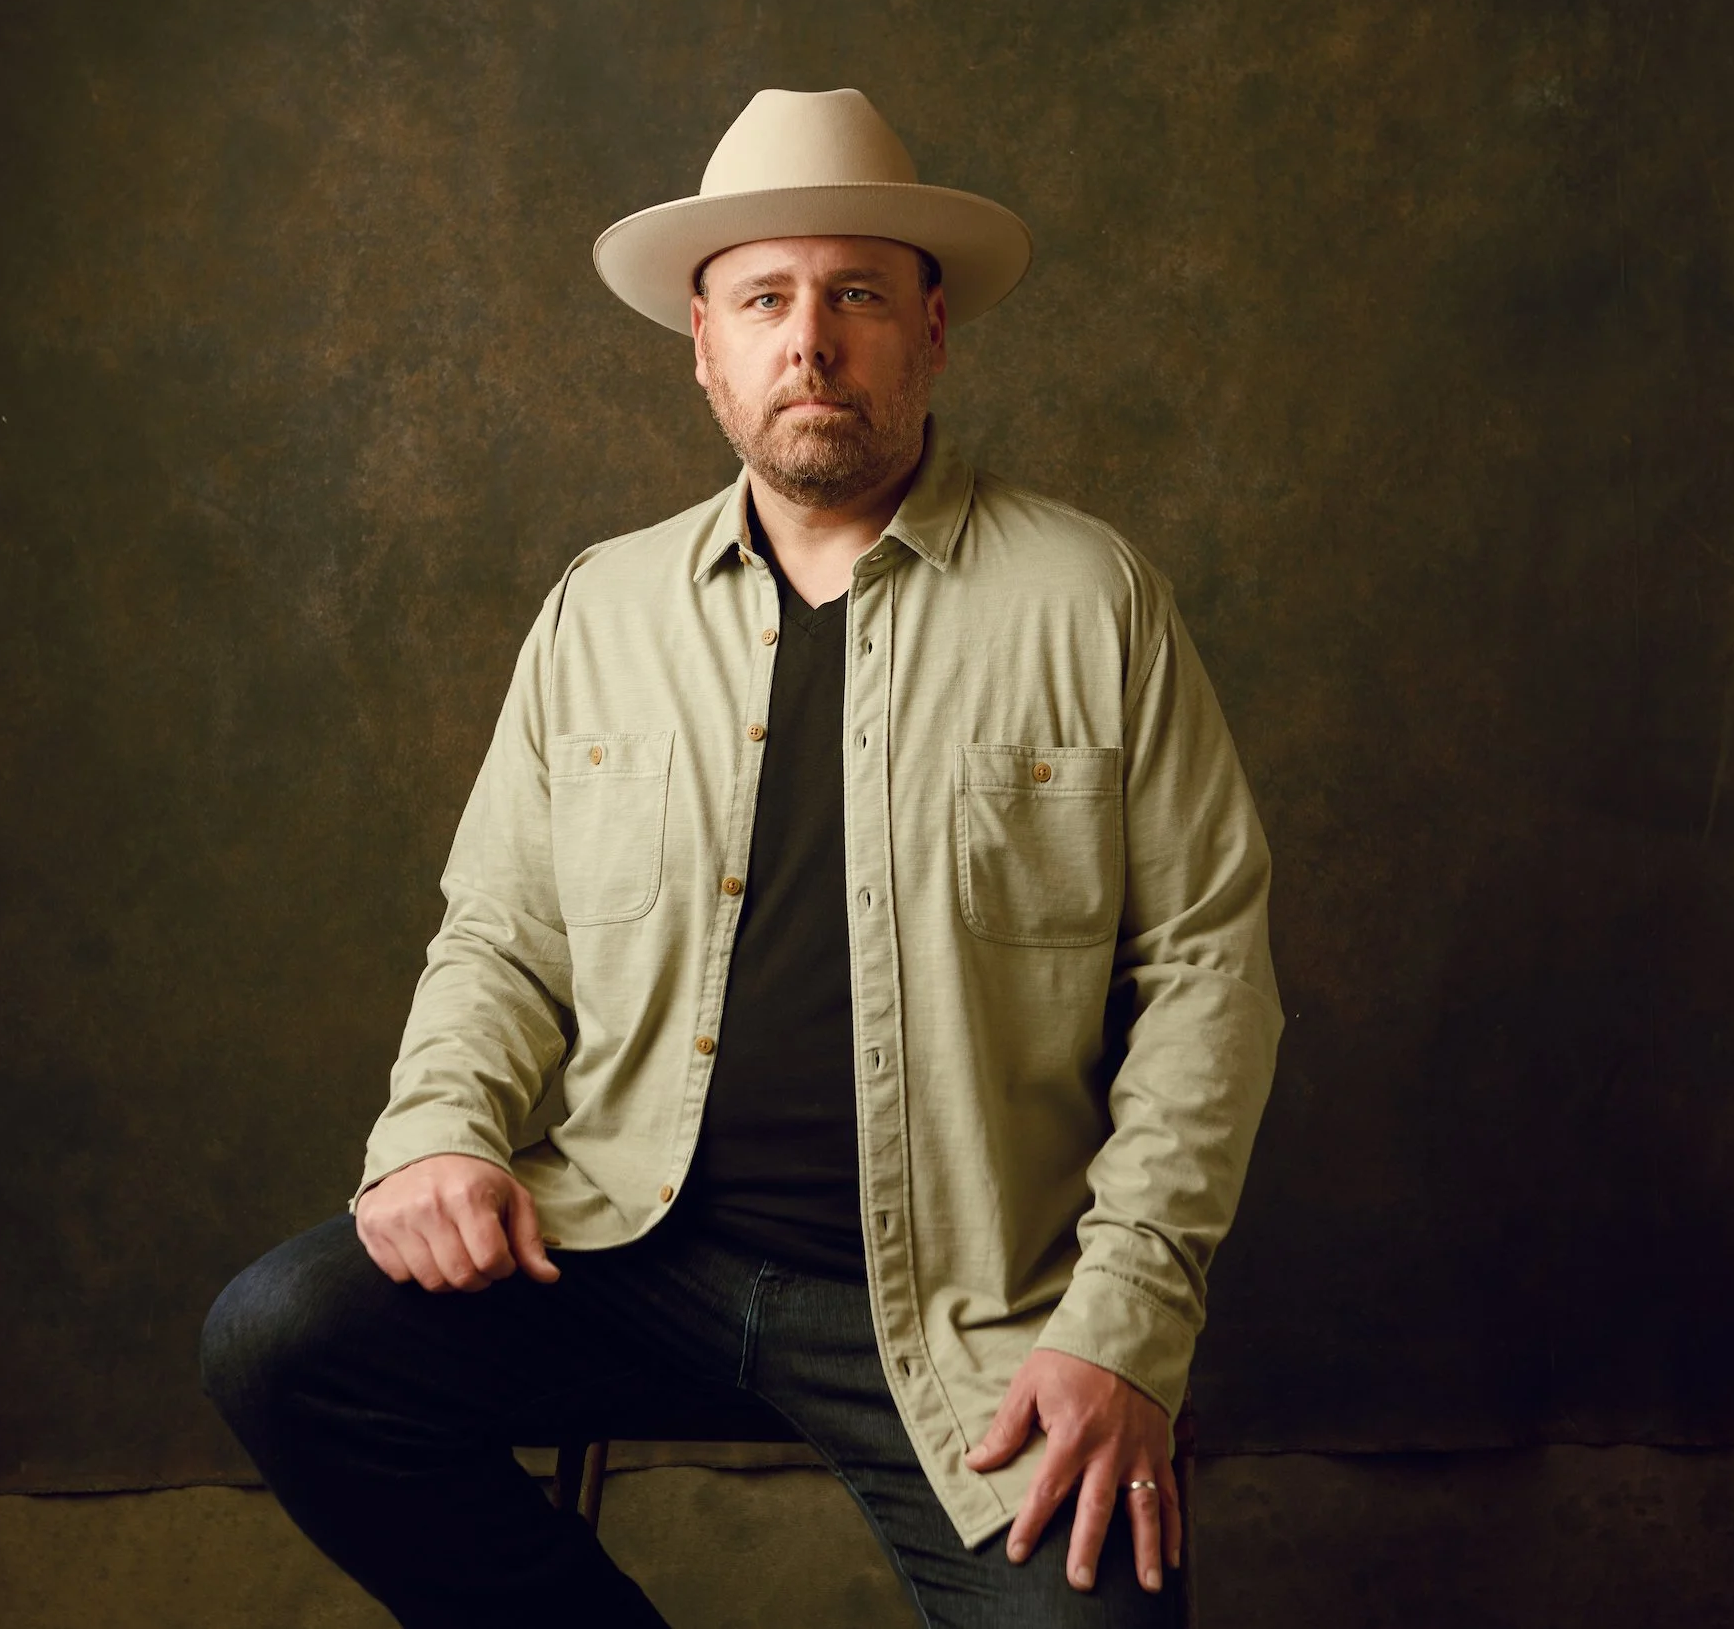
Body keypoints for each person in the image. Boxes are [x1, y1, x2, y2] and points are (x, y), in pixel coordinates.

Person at [201, 86, 1282, 1629]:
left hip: (966, 1303)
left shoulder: (1090, 601)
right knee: (279, 1339)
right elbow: (503, 933)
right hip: (625, 1258)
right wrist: (437, 1129)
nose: (811, 342)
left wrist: (1124, 1327)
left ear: (931, 332)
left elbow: (1211, 987)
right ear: (704, 347)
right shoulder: (601, 611)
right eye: (766, 299)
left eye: (853, 296)